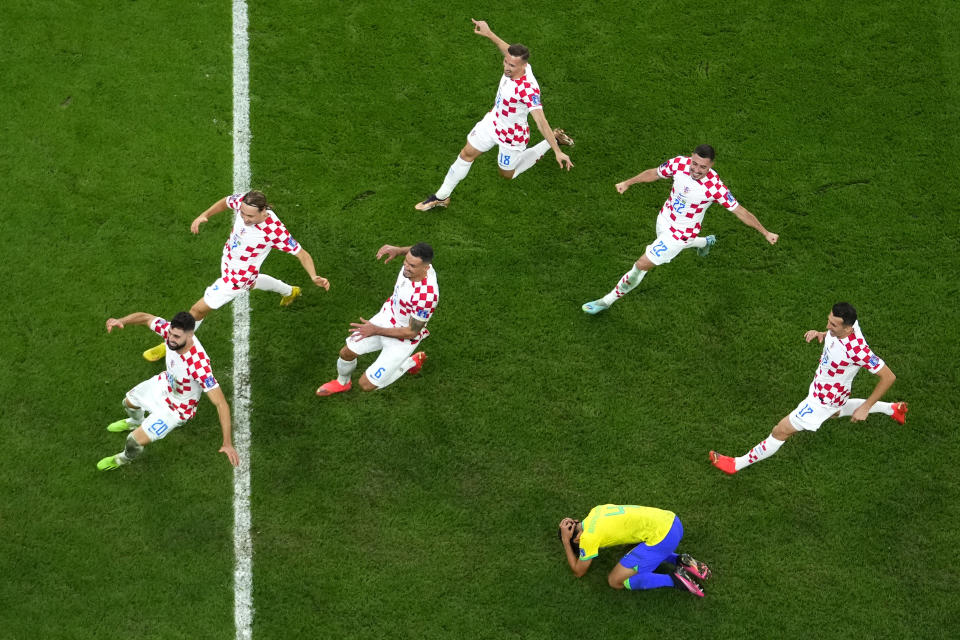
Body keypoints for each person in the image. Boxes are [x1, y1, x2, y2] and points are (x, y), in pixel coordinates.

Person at [710, 303, 908, 475]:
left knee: (781, 430)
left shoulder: (858, 350)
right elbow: (832, 335)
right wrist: (822, 334)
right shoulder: (847, 324)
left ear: (848, 329)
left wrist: (865, 408)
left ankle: (736, 464)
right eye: (828, 321)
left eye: (833, 325)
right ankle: (893, 409)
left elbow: (889, 377)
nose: (828, 326)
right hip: (826, 391)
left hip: (823, 400)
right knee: (835, 412)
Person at [582, 145, 778, 314]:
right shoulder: (679, 164)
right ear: (691, 158)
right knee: (668, 247)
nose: (696, 169)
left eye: (703, 167)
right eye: (695, 163)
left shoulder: (715, 187)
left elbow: (740, 212)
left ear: (711, 166)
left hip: (681, 234)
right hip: (664, 219)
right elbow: (654, 173)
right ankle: (705, 242)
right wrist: (627, 183)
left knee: (642, 264)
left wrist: (765, 232)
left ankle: (606, 301)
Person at [142, 190, 330, 361]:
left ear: (264, 210)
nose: (245, 218)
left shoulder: (274, 230)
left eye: (250, 216)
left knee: (197, 310)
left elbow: (302, 254)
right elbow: (225, 201)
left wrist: (314, 276)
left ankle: (171, 343)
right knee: (253, 282)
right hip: (229, 260)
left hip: (237, 277)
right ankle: (290, 291)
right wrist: (204, 215)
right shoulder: (245, 201)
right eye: (242, 214)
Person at [413, 19, 574, 212]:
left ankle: (552, 141)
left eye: (512, 66)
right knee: (467, 153)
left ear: (523, 67)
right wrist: (489, 33)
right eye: (506, 62)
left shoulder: (528, 90)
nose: (507, 67)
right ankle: (441, 196)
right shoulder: (516, 63)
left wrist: (557, 151)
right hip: (493, 121)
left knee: (507, 174)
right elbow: (506, 49)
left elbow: (541, 121)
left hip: (512, 134)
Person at [98, 311, 239, 471]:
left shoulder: (199, 365)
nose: (170, 339)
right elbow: (146, 318)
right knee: (128, 403)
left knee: (133, 441)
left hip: (177, 408)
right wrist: (120, 320)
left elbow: (221, 404)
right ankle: (136, 422)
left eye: (177, 337)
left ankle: (122, 459)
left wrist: (227, 442)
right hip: (165, 384)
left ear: (190, 335)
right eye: (171, 334)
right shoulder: (170, 332)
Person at [316, 243, 438, 395]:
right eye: (405, 261)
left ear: (426, 268)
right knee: (347, 353)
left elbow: (411, 332)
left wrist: (375, 330)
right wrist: (398, 250)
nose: (406, 266)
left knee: (366, 385)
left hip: (403, 338)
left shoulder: (426, 296)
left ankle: (410, 362)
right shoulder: (415, 263)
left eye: (411, 265)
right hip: (386, 317)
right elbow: (413, 250)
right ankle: (343, 383)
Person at [558, 504, 711, 597]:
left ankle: (675, 579)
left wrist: (566, 541)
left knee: (615, 581)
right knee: (629, 548)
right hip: (672, 520)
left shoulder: (588, 538)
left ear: (577, 540)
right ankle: (679, 560)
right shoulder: (596, 511)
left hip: (663, 539)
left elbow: (579, 571)